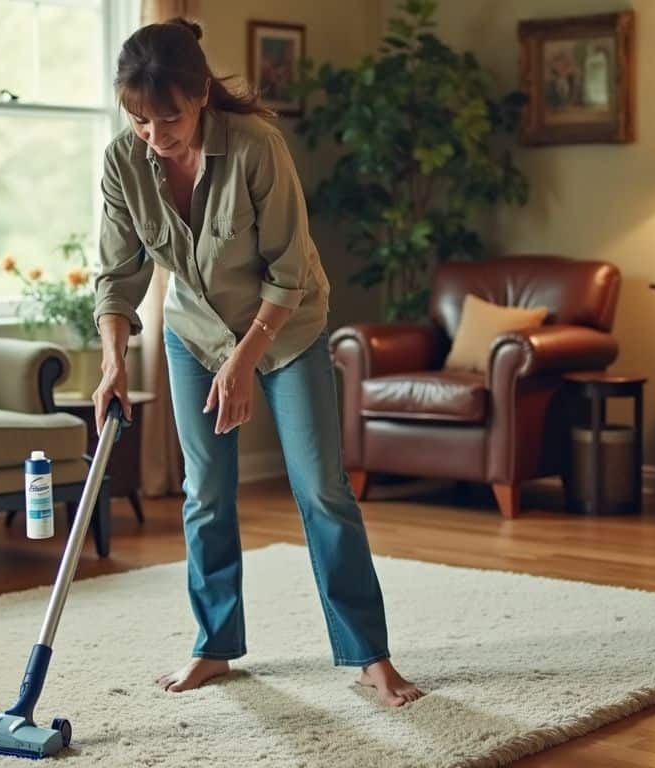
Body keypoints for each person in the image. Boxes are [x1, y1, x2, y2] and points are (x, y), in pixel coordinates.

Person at [91, 17, 423, 707]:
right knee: (204, 493)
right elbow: (118, 274)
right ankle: (214, 646)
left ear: (201, 95)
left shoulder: (256, 148)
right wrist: (113, 363)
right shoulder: (125, 161)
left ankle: (369, 655)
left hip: (286, 328)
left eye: (169, 117)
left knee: (321, 489)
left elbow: (288, 273)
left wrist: (244, 364)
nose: (155, 135)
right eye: (139, 119)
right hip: (192, 335)